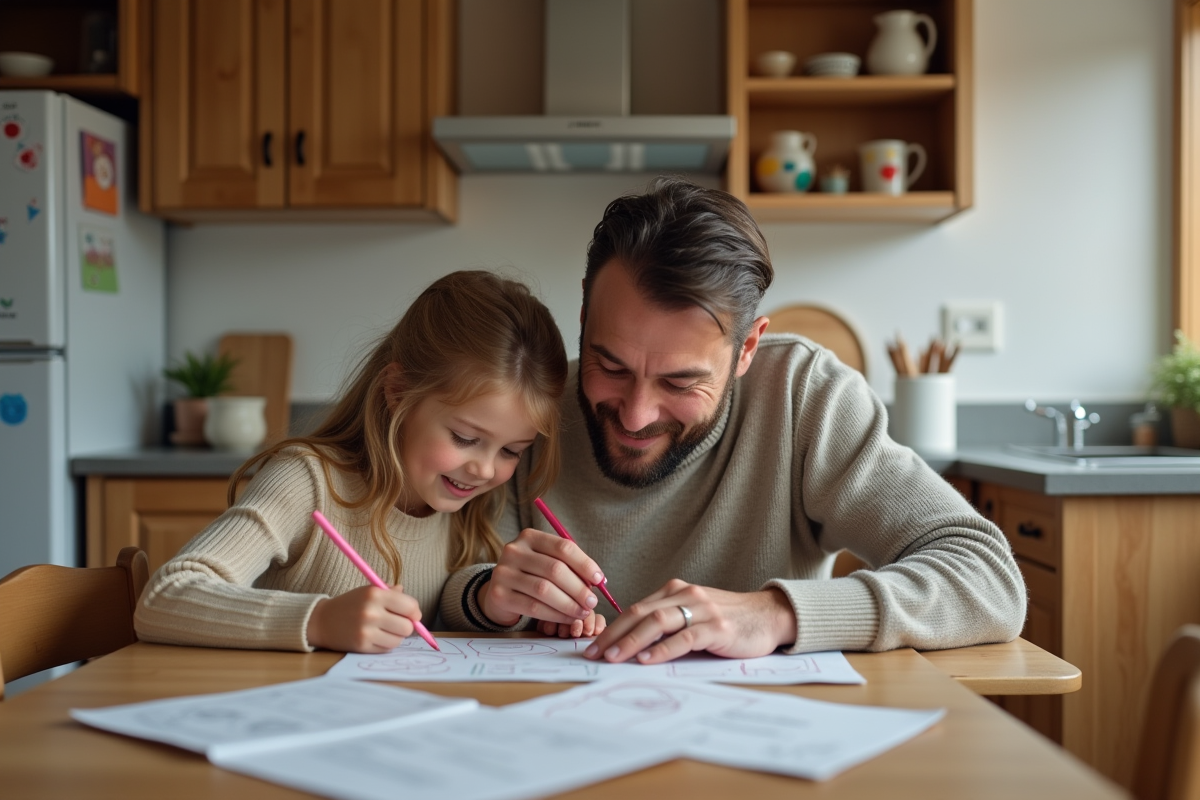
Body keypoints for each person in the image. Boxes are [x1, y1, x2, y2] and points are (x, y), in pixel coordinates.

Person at [441, 178, 1025, 663]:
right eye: (609, 364)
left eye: (680, 382)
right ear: (584, 318)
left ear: (748, 349)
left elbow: (988, 578)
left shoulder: (804, 397)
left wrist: (775, 613)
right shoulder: (528, 403)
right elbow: (448, 578)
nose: (636, 414)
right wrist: (489, 593)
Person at [134, 271, 603, 653]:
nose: (485, 470)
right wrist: (317, 620)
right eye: (465, 437)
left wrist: (498, 599)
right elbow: (164, 598)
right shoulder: (307, 481)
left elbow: (445, 596)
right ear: (398, 392)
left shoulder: (459, 501)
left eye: (510, 451)